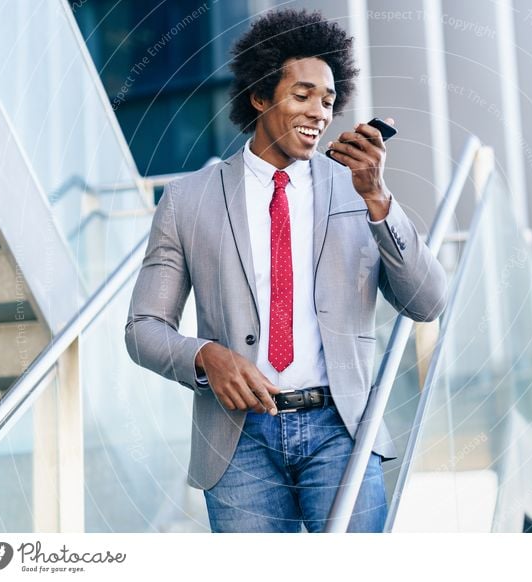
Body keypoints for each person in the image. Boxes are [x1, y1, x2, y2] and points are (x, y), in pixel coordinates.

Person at [124, 8, 447, 533]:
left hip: (339, 432)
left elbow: (427, 302)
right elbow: (143, 330)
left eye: (328, 100)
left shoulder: (357, 188)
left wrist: (378, 199)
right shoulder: (187, 200)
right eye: (302, 95)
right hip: (236, 442)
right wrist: (206, 356)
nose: (320, 112)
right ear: (258, 95)